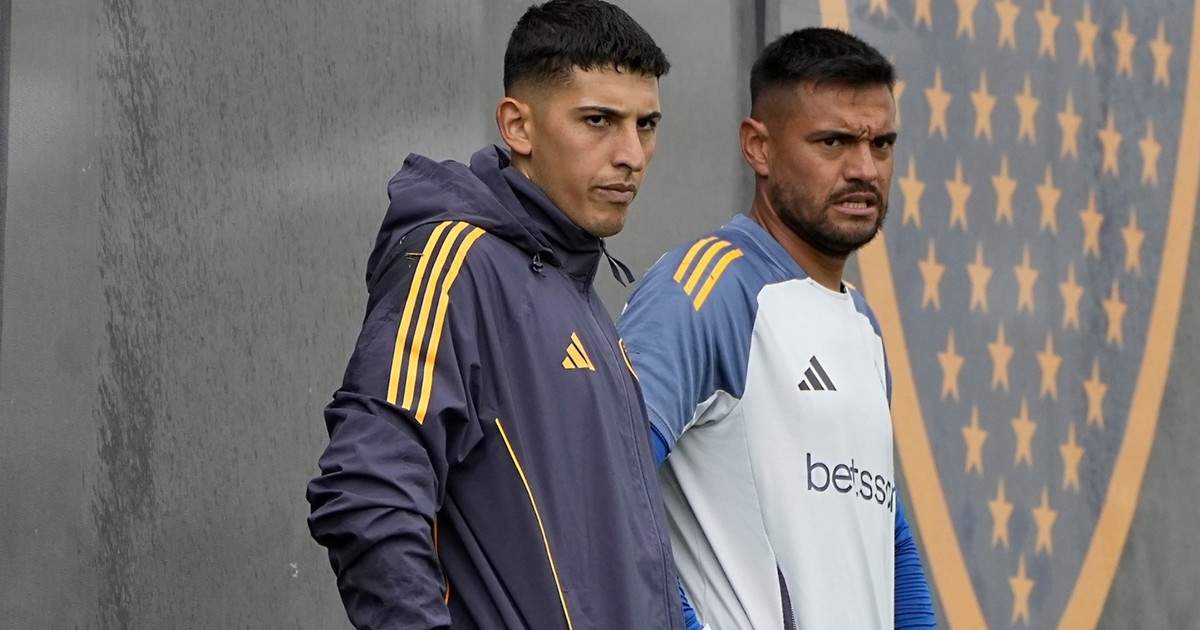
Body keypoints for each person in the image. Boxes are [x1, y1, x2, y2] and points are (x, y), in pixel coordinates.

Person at [305, 2, 687, 628]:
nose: (632, 154)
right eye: (598, 120)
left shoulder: (578, 290)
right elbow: (367, 491)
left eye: (646, 125)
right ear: (518, 125)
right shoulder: (460, 264)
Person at [617, 27, 937, 629]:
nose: (864, 168)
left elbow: (888, 541)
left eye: (882, 144)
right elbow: (605, 485)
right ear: (758, 147)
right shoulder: (708, 290)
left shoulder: (863, 326)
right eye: (833, 141)